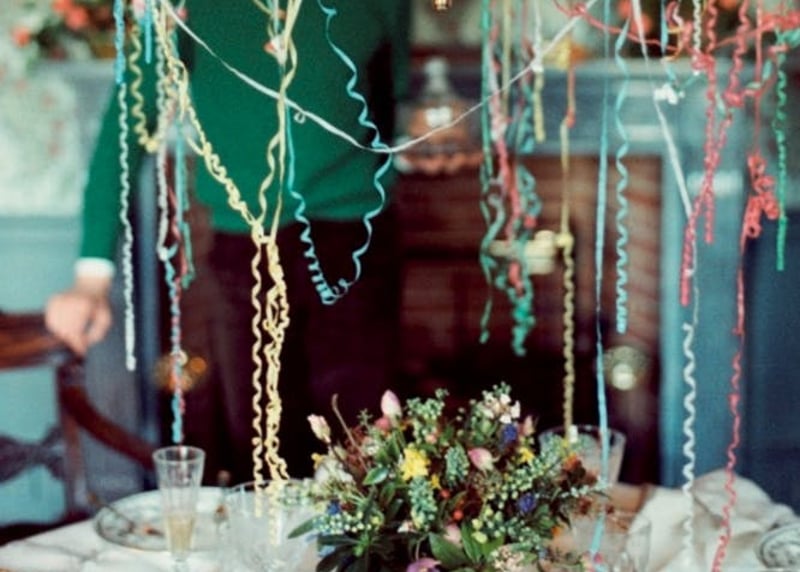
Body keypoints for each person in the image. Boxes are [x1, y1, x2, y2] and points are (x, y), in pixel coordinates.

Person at [45, 0, 410, 484]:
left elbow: (392, 99)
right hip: (246, 250)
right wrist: (92, 274)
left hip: (357, 244)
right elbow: (125, 126)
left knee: (368, 450)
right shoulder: (180, 6)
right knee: (261, 454)